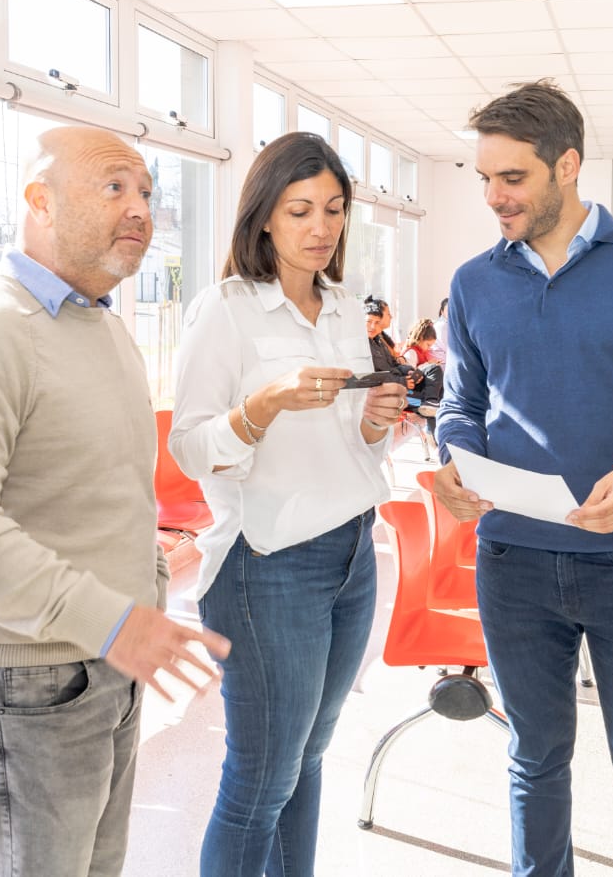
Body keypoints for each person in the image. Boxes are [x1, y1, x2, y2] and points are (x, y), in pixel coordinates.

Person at [0, 126, 228, 877]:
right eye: (114, 187)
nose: (141, 208)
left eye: (146, 191)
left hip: (106, 659)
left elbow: (96, 486)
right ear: (38, 201)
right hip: (24, 682)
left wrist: (138, 587)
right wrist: (115, 619)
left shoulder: (101, 324)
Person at [433, 80, 613, 876]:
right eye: (485, 180)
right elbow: (459, 404)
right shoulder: (474, 283)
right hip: (512, 563)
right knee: (534, 759)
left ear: (567, 166)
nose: (495, 197)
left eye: (513, 178)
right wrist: (454, 462)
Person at [169, 131, 407, 877]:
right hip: (266, 566)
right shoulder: (227, 310)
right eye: (300, 209)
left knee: (307, 759)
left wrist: (372, 423)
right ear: (264, 216)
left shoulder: (343, 307)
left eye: (334, 210)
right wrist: (261, 409)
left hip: (352, 555)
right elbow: (188, 446)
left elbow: (350, 447)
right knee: (260, 779)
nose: (320, 228)